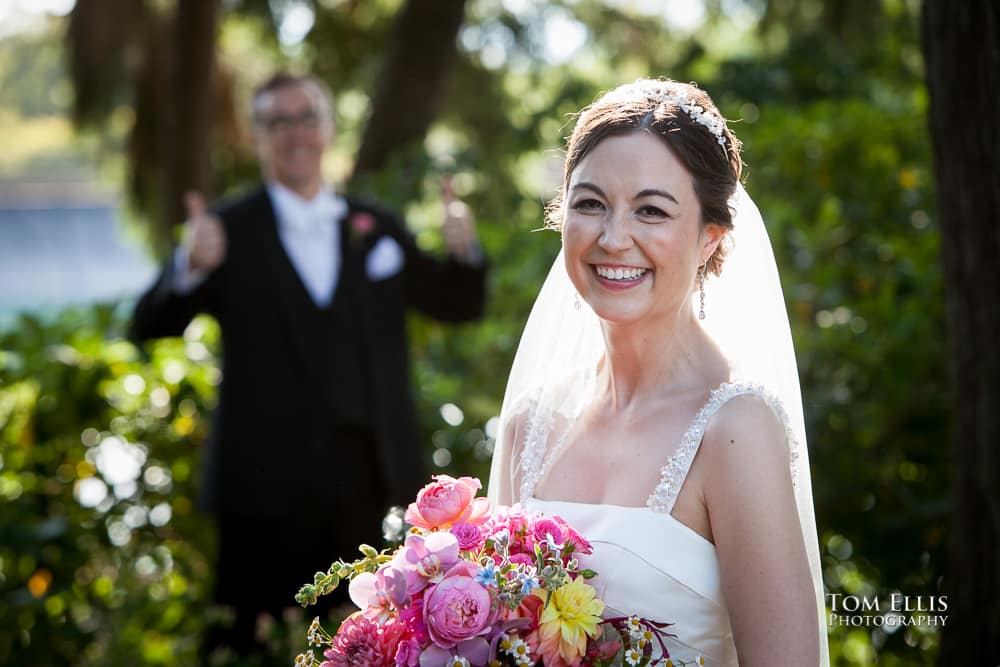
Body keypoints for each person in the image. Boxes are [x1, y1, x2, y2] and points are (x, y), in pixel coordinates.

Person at [131, 72, 488, 660]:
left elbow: (456, 303)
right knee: (249, 646)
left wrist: (462, 251)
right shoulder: (226, 230)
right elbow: (148, 324)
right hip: (262, 490)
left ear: (326, 127)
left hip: (368, 486)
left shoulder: (374, 225)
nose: (294, 133)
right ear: (257, 135)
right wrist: (189, 267)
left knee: (376, 646)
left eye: (305, 118)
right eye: (278, 121)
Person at [488, 79, 828, 666]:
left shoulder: (734, 431)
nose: (614, 238)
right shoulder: (530, 425)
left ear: (709, 238)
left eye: (651, 211)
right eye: (590, 204)